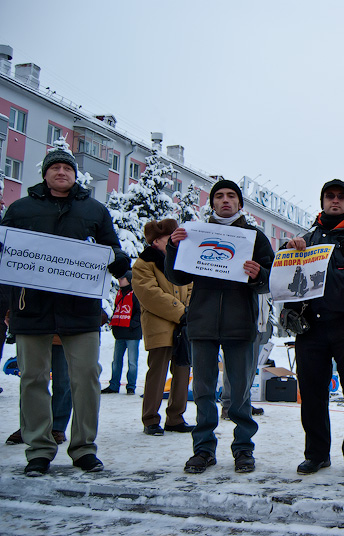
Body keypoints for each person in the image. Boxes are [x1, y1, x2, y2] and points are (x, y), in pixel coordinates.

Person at [1, 148, 130, 476]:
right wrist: (5, 306)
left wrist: (117, 262)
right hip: (31, 307)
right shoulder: (20, 210)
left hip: (81, 309)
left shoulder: (94, 210)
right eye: (55, 167)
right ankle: (39, 450)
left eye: (67, 168)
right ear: (45, 174)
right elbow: (6, 262)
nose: (61, 172)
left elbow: (113, 248)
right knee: (32, 378)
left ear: (75, 174)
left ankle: (84, 447)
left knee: (86, 376)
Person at [165, 180, 273, 474]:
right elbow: (176, 278)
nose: (225, 200)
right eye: (219, 196)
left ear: (240, 204)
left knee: (239, 393)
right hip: (201, 323)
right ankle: (203, 449)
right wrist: (174, 248)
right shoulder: (194, 235)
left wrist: (258, 274)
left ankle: (243, 449)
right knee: (202, 391)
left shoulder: (255, 237)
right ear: (211, 203)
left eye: (231, 196)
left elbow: (270, 279)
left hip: (240, 325)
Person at [285, 179, 344, 478]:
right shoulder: (307, 238)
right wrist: (290, 251)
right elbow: (286, 279)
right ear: (322, 201)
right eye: (330, 196)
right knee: (312, 394)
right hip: (311, 327)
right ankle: (316, 454)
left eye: (341, 197)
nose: (335, 201)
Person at [132, 219, 194, 436]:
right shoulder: (144, 263)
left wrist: (189, 309)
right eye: (169, 238)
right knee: (157, 373)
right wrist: (181, 311)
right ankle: (150, 419)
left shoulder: (181, 261)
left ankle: (176, 417)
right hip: (160, 325)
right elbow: (150, 294)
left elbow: (190, 287)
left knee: (183, 371)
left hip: (184, 326)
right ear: (156, 241)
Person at [102, 271, 142, 394]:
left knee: (132, 362)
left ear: (129, 279)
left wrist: (131, 325)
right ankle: (114, 385)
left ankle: (131, 386)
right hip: (120, 333)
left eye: (122, 278)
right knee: (116, 361)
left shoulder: (136, 294)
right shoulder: (120, 293)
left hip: (132, 333)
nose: (119, 280)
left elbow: (140, 313)